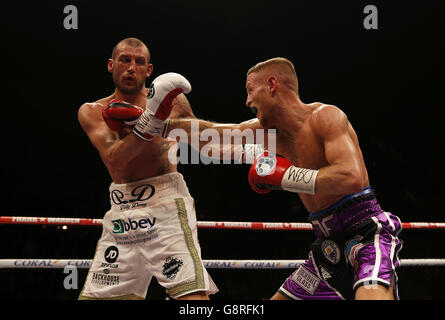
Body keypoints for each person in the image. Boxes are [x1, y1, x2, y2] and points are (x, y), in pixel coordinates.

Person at [167, 57, 403, 300]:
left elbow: (350, 177)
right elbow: (215, 144)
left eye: (250, 90)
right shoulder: (267, 133)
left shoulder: (325, 117)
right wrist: (166, 123)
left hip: (366, 235)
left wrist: (285, 177)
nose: (247, 101)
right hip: (327, 247)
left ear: (272, 84)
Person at [77, 37, 218, 300]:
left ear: (149, 70)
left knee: (192, 299)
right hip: (122, 210)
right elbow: (116, 160)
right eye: (124, 60)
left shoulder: (173, 102)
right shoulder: (92, 111)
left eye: (139, 62)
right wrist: (151, 120)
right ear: (111, 65)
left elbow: (203, 139)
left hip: (166, 205)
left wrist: (250, 138)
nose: (131, 67)